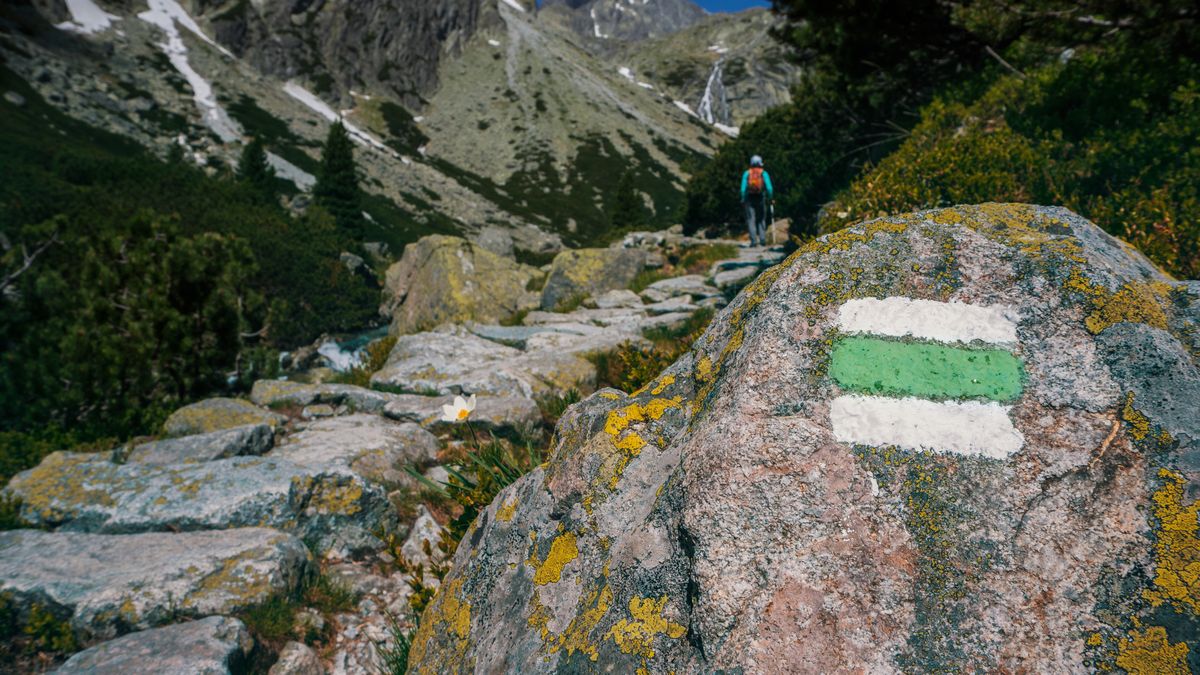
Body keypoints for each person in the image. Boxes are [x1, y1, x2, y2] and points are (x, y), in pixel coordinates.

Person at [740, 155, 774, 247]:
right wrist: (770, 198)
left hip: (749, 198)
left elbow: (743, 189)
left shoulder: (747, 173)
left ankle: (753, 241)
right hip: (760, 197)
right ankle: (762, 240)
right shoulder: (763, 173)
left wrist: (743, 198)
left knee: (751, 219)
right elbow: (769, 188)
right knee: (761, 219)